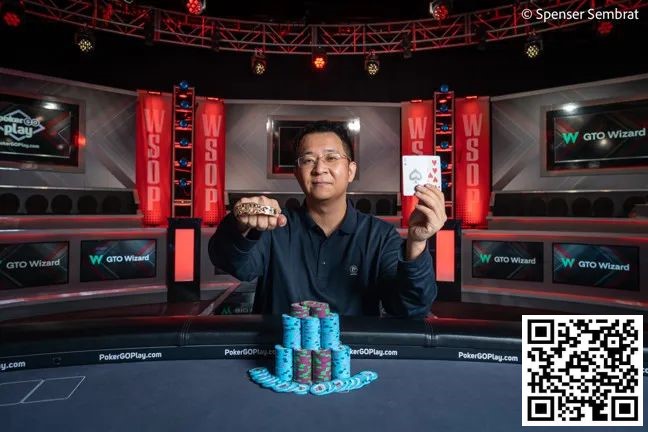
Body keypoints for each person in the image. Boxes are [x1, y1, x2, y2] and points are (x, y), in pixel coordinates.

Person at [209, 121, 447, 317]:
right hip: (280, 354)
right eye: (308, 160)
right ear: (297, 173)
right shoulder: (276, 226)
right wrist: (240, 225)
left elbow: (410, 308)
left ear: (351, 171)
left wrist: (417, 243)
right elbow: (231, 263)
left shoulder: (380, 236)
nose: (319, 168)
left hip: (356, 354)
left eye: (331, 157)